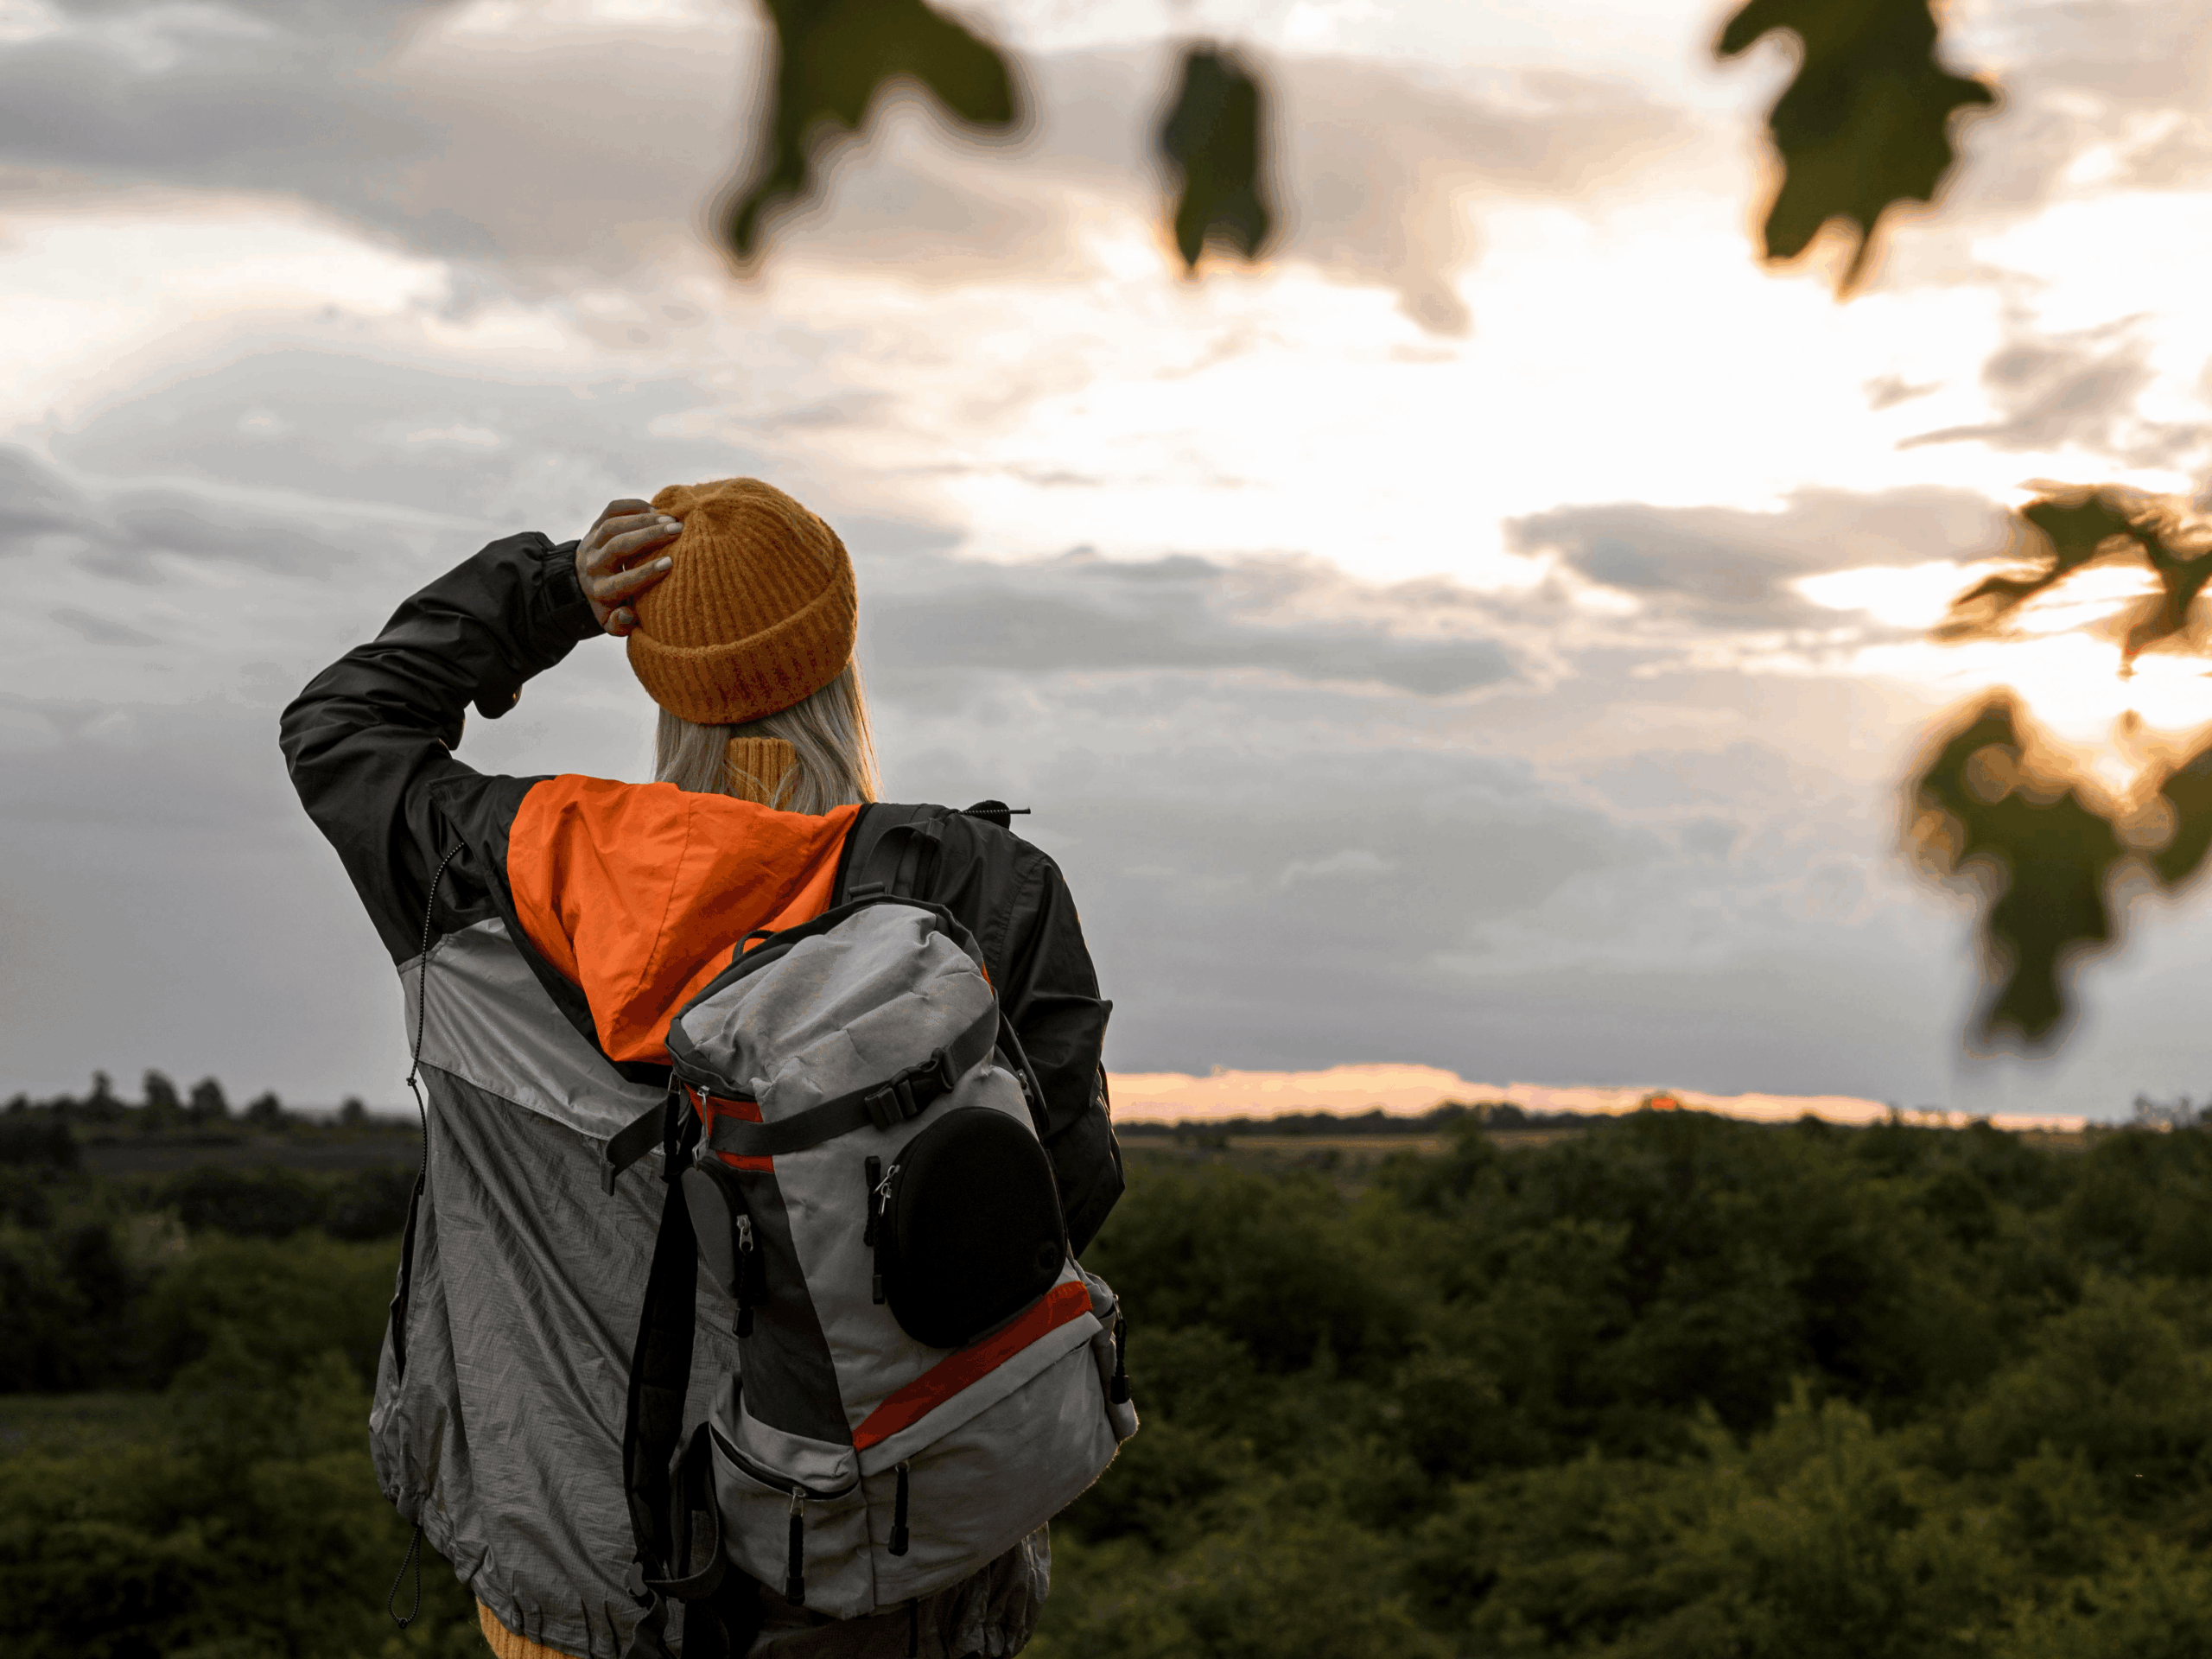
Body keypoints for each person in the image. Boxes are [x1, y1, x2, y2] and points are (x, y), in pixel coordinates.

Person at [281, 478, 1123, 1659]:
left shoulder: (493, 868)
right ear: (839, 650)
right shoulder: (985, 887)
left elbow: (342, 724)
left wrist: (555, 592)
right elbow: (1062, 1199)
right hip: (897, 1567)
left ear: (660, 674)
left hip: (581, 1582)